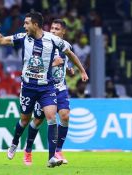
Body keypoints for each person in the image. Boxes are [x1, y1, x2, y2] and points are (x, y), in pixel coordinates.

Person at [0, 12, 88, 167]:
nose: (24, 26)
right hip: (28, 87)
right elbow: (0, 40)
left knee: (52, 117)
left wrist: (82, 70)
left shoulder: (53, 40)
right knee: (25, 120)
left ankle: (52, 157)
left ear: (35, 24)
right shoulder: (23, 38)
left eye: (27, 23)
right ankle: (14, 143)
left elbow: (69, 53)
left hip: (46, 87)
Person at [22, 19, 88, 166]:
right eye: (51, 28)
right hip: (44, 87)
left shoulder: (66, 46)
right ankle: (27, 150)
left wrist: (71, 70)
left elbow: (66, 62)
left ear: (63, 32)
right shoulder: (44, 44)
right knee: (38, 120)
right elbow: (36, 66)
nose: (53, 31)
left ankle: (58, 151)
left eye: (57, 29)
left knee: (65, 116)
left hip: (60, 87)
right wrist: (54, 63)